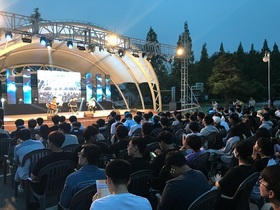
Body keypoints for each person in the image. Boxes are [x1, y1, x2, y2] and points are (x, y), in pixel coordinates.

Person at [59, 144, 106, 209]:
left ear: (85, 159)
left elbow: (64, 203)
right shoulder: (105, 174)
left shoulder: (72, 178)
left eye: (80, 154)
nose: (78, 156)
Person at [214, 140, 256, 210]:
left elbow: (218, 186)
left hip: (228, 202)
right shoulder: (253, 168)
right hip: (241, 201)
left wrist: (216, 180)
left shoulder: (235, 171)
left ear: (237, 153)